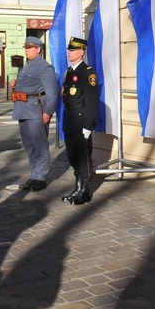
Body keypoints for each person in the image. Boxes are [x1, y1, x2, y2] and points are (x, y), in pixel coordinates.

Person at [10, 36, 59, 192]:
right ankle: (34, 175)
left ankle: (41, 177)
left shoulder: (45, 67)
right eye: (26, 47)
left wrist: (48, 112)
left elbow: (52, 92)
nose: (26, 50)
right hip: (22, 108)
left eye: (30, 48)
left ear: (38, 49)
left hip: (36, 110)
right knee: (29, 146)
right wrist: (14, 86)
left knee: (40, 145)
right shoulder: (27, 66)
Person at [60, 37, 99, 205]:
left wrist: (88, 125)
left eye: (73, 50)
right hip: (70, 118)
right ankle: (77, 188)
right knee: (73, 156)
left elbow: (92, 100)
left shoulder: (88, 73)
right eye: (69, 50)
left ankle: (84, 190)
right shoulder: (70, 72)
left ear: (81, 52)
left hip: (81, 120)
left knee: (83, 157)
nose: (69, 52)